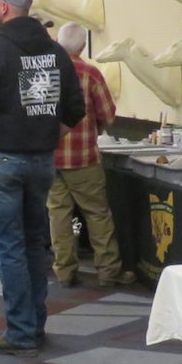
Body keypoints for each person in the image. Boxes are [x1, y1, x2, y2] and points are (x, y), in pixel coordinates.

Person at [0, 0, 85, 357]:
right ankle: (35, 323)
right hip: (42, 161)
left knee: (10, 248)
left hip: (0, 159)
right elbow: (75, 109)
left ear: (2, 8)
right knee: (35, 242)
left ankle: (20, 331)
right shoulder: (57, 54)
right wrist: (48, 134)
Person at [47, 22, 136, 288]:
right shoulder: (90, 73)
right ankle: (109, 271)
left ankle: (64, 271)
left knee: (58, 214)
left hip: (49, 157)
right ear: (84, 45)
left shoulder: (45, 71)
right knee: (96, 213)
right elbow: (108, 115)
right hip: (83, 157)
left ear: (58, 42)